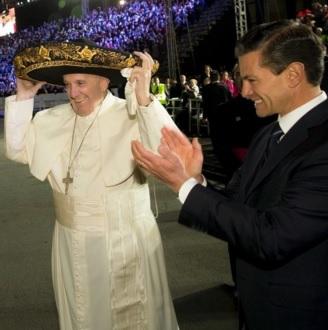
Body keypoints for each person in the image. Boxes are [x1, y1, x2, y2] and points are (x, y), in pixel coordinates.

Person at [131, 20, 328, 330]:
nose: (245, 91)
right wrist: (197, 182)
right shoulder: (269, 134)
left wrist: (182, 186)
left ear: (293, 75)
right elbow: (240, 207)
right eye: (241, 79)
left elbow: (270, 236)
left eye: (251, 79)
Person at [5, 40, 179, 330]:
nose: (73, 93)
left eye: (81, 82)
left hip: (126, 238)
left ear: (103, 82)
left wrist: (145, 98)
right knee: (82, 316)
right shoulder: (52, 119)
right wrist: (23, 97)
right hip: (70, 241)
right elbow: (17, 150)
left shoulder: (132, 113)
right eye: (67, 84)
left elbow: (170, 155)